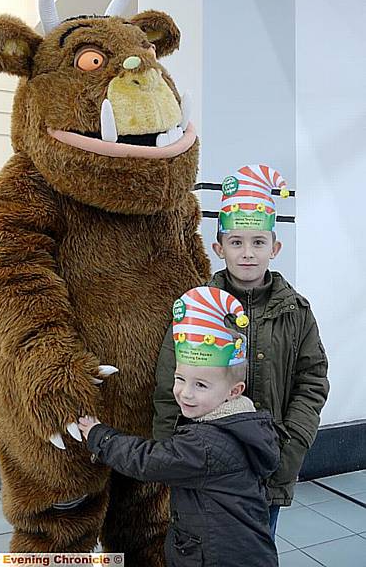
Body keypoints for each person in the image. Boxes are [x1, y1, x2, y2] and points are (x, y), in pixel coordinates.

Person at [153, 164, 330, 539]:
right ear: (219, 248)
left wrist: (290, 449)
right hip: (205, 468)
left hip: (268, 467)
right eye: (236, 242)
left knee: (255, 549)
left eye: (258, 242)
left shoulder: (296, 312)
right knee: (204, 550)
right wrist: (171, 457)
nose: (247, 253)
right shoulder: (196, 307)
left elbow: (311, 382)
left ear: (275, 247)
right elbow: (169, 384)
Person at [79, 286, 279, 567]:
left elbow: (148, 461)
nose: (185, 393)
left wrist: (99, 435)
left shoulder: (207, 444)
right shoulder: (240, 424)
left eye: (200, 385)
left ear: (234, 391)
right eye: (180, 379)